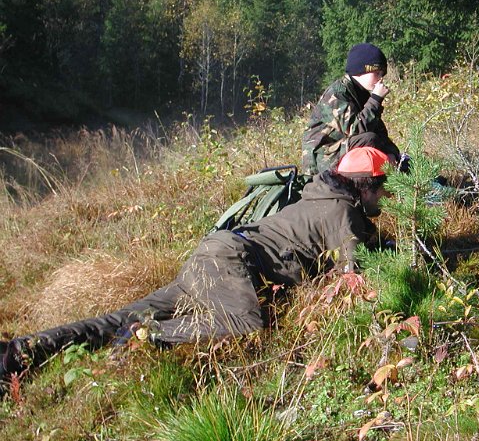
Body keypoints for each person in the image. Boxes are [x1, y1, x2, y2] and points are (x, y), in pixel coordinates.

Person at [0, 147, 392, 392]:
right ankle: (149, 334)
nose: (384, 196)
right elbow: (355, 276)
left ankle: (19, 353)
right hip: (231, 264)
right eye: (382, 187)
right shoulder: (345, 213)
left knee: (114, 318)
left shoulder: (316, 196)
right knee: (247, 323)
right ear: (365, 185)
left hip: (215, 253)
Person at [302, 43, 401, 176]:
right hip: (323, 160)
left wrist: (394, 155)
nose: (380, 79)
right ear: (360, 71)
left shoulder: (362, 94)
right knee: (369, 139)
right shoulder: (337, 95)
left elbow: (379, 132)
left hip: (341, 151)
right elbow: (356, 129)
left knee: (381, 145)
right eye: (377, 73)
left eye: (382, 74)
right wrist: (376, 100)